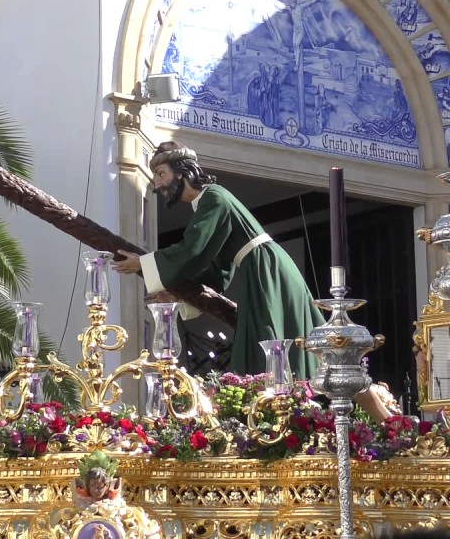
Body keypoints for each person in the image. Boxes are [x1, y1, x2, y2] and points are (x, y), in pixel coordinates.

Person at [113, 141, 325, 377]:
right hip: (263, 268)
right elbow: (219, 270)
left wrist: (143, 264)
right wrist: (180, 293)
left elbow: (192, 249)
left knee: (268, 339)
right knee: (269, 341)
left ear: (181, 171)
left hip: (267, 270)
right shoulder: (208, 201)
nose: (158, 184)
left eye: (161, 174)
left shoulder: (213, 197)